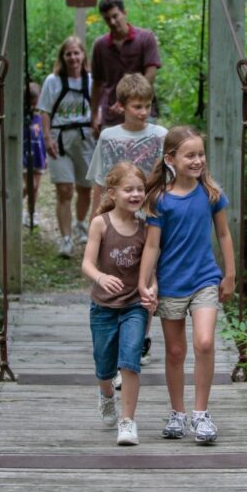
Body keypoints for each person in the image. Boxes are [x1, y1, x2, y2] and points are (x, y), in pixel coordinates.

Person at [138, 126, 235, 445]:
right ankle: (177, 412)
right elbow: (153, 246)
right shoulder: (160, 200)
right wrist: (144, 283)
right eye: (190, 155)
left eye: (200, 154)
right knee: (176, 351)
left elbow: (223, 234)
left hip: (205, 279)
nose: (198, 161)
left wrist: (230, 274)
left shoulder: (211, 194)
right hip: (171, 284)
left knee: (205, 342)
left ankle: (201, 414)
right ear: (171, 159)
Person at [88, 72, 168, 367]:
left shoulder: (161, 135)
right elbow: (99, 181)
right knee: (121, 269)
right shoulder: (109, 137)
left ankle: (139, 337)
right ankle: (123, 334)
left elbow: (168, 180)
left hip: (150, 218)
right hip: (116, 216)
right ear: (121, 105)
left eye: (147, 105)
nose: (143, 112)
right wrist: (96, 217)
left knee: (145, 276)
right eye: (137, 106)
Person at [81, 162, 157, 446]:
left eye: (140, 189)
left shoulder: (146, 226)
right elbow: (87, 264)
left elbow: (151, 270)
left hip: (134, 306)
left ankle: (128, 421)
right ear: (112, 193)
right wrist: (100, 277)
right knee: (104, 367)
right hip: (103, 307)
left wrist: (151, 290)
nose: (136, 194)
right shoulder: (101, 223)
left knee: (130, 362)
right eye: (129, 189)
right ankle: (106, 395)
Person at [37, 36, 95, 258]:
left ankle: (81, 223)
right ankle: (66, 239)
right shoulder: (53, 81)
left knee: (85, 188)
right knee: (64, 190)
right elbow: (45, 111)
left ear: (83, 55)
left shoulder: (90, 81)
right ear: (62, 57)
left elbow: (98, 106)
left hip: (86, 139)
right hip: (59, 138)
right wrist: (46, 138)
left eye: (76, 53)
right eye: (68, 54)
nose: (73, 58)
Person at [90, 0, 162, 134]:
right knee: (113, 155)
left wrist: (127, 99)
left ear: (124, 13)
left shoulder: (145, 38)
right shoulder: (100, 46)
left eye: (115, 16)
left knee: (145, 154)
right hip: (112, 115)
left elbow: (151, 73)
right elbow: (97, 83)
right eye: (107, 18)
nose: (112, 21)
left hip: (143, 111)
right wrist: (93, 115)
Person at [22, 80, 46, 229]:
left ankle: (31, 212)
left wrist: (46, 156)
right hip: (25, 155)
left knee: (35, 187)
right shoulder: (22, 118)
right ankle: (18, 206)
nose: (32, 106)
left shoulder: (41, 117)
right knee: (32, 184)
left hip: (38, 155)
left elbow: (43, 137)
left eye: (35, 103)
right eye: (30, 103)